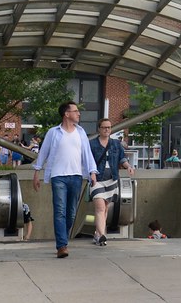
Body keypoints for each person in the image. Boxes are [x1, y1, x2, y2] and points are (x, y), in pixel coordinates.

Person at [32, 101, 98, 259]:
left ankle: (63, 237)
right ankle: (62, 245)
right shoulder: (53, 133)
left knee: (71, 213)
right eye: (75, 111)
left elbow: (87, 154)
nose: (78, 113)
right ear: (66, 114)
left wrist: (92, 172)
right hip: (58, 176)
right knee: (60, 211)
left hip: (76, 176)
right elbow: (43, 153)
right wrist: (36, 172)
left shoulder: (81, 132)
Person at [88, 118, 134, 247]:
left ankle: (98, 234)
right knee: (100, 207)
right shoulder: (92, 144)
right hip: (97, 179)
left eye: (109, 127)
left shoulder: (115, 143)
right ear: (99, 129)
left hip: (112, 178)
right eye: (104, 127)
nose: (107, 129)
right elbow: (88, 161)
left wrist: (128, 166)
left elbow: (122, 158)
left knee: (106, 208)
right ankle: (103, 235)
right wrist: (91, 173)